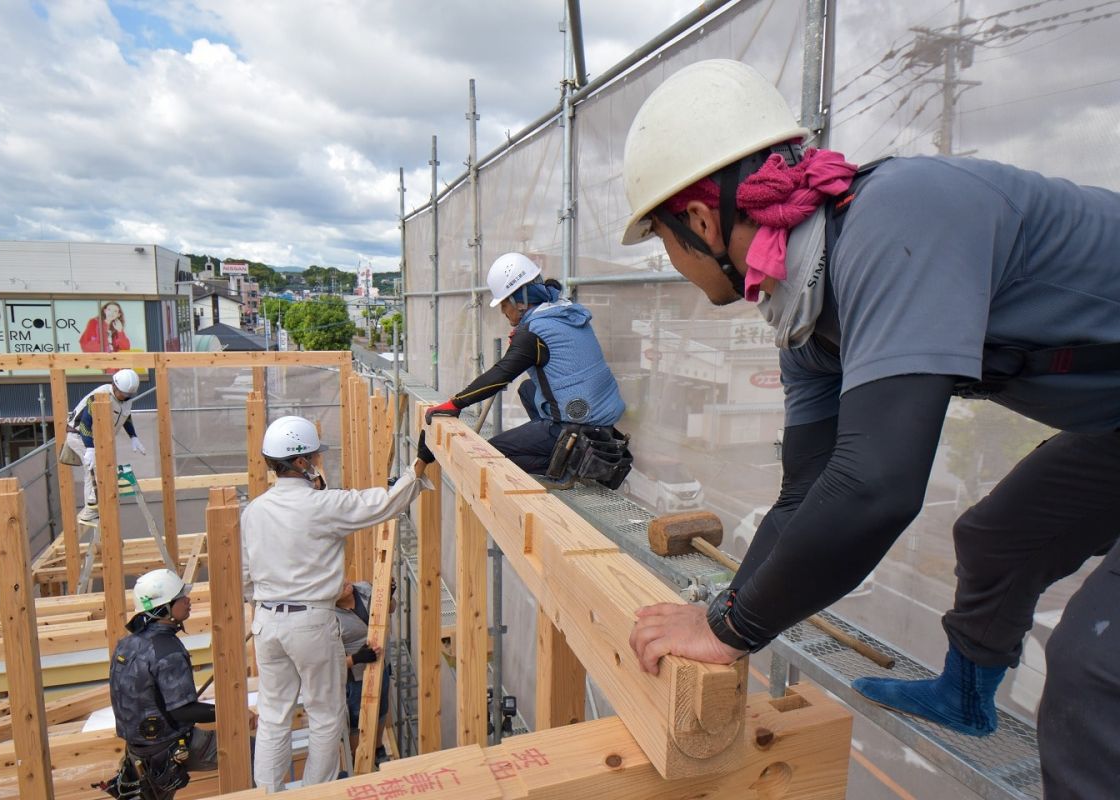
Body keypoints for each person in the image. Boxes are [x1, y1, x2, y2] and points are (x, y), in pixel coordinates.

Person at [621, 59, 1120, 798]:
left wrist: (729, 630)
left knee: (1094, 674)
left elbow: (876, 488)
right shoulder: (807, 315)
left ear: (699, 221)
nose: (671, 260)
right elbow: (808, 493)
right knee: (995, 539)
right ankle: (967, 697)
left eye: (661, 239)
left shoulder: (899, 219)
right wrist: (719, 613)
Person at [241, 416, 435, 791]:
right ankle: (318, 793)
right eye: (313, 455)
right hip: (310, 622)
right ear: (300, 462)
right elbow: (380, 504)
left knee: (273, 716)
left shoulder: (254, 512)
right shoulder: (321, 505)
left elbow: (246, 577)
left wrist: (265, 606)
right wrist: (418, 467)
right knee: (325, 715)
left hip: (266, 622)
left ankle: (265, 794)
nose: (317, 460)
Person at [425, 252, 628, 482]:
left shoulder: (533, 332)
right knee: (528, 389)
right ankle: (551, 443)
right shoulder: (563, 312)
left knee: (491, 453)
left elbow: (501, 375)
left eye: (503, 304)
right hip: (600, 416)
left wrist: (456, 403)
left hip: (578, 426)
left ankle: (570, 460)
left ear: (518, 300)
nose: (502, 312)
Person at [102, 569, 225, 799]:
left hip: (139, 751)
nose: (188, 600)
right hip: (171, 746)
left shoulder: (126, 645)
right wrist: (230, 712)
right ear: (164, 608)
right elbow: (182, 711)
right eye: (181, 597)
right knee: (257, 752)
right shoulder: (167, 650)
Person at [65, 368, 147, 522]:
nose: (125, 397)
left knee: (92, 472)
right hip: (79, 435)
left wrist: (133, 436)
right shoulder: (100, 396)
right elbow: (84, 424)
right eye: (123, 394)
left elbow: (126, 416)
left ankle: (92, 509)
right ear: (114, 386)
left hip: (99, 440)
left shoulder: (126, 398)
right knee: (98, 468)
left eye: (129, 395)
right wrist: (89, 448)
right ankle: (92, 508)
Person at [334, 578, 395, 763]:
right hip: (356, 679)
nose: (344, 582)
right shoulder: (328, 618)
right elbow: (327, 664)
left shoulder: (365, 589)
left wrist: (389, 596)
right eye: (338, 586)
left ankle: (377, 748)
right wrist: (356, 658)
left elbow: (390, 608)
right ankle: (358, 757)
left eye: (341, 578)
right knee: (357, 721)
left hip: (381, 665)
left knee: (382, 710)